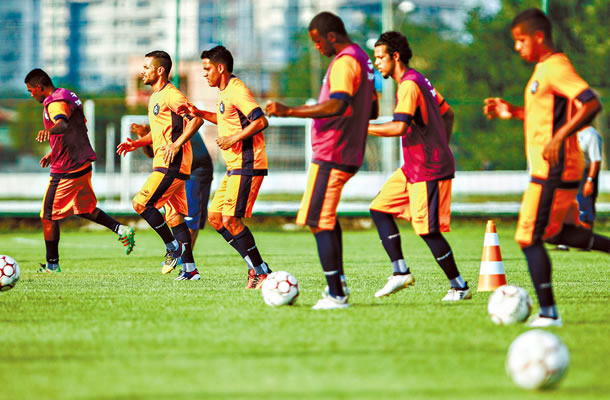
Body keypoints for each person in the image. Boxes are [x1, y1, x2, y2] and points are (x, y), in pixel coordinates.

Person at [483, 8, 610, 327]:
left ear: (539, 36)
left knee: (528, 237)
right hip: (553, 167)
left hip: (555, 168)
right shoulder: (543, 69)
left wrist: (560, 137)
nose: (517, 47)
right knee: (552, 232)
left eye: (520, 40)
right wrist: (513, 112)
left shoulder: (556, 66)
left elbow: (592, 102)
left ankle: (549, 313)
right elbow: (549, 116)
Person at [266, 11, 377, 309]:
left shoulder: (344, 61)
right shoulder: (363, 61)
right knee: (325, 218)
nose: (316, 47)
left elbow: (338, 104)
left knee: (317, 219)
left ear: (331, 36)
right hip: (347, 150)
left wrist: (289, 111)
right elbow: (373, 109)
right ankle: (337, 284)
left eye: (317, 41)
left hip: (333, 152)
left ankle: (336, 294)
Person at [366, 31, 471, 301]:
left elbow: (400, 126)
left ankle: (459, 287)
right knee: (379, 208)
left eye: (380, 58)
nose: (377, 63)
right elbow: (448, 112)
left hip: (428, 169)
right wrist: (439, 142)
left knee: (427, 230)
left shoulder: (410, 86)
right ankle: (400, 272)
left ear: (395, 56)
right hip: (414, 166)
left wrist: (361, 128)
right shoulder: (420, 80)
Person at [177, 45, 271, 289]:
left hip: (248, 164)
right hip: (235, 167)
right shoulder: (225, 91)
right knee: (216, 218)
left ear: (220, 68)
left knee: (231, 219)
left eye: (207, 69)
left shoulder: (237, 90)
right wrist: (200, 113)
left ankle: (262, 272)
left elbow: (260, 120)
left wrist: (233, 139)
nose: (204, 74)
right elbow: (226, 118)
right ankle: (256, 268)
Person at [24, 68, 135, 273]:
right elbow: (73, 129)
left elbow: (63, 124)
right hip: (81, 164)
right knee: (84, 209)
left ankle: (52, 265)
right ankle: (121, 229)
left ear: (39, 87)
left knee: (48, 216)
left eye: (31, 90)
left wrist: (47, 131)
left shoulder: (54, 102)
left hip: (66, 170)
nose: (31, 95)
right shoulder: (66, 94)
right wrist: (53, 152)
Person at [117, 50, 203, 280]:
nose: (142, 71)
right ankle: (190, 270)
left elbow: (196, 118)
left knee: (141, 204)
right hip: (167, 163)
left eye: (146, 67)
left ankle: (172, 246)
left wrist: (176, 144)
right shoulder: (155, 97)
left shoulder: (172, 95)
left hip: (171, 165)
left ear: (160, 70)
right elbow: (158, 135)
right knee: (174, 218)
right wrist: (136, 143)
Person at [131, 123, 214, 276]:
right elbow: (152, 154)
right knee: (175, 217)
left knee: (190, 218)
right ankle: (188, 266)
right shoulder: (160, 123)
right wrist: (142, 138)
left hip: (197, 170)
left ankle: (181, 256)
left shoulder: (179, 118)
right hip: (174, 171)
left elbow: (196, 120)